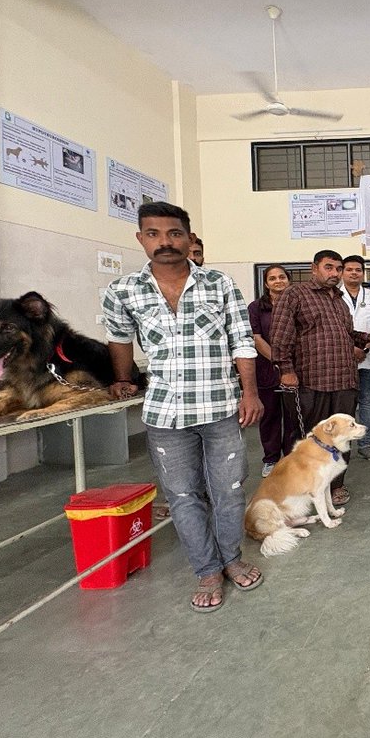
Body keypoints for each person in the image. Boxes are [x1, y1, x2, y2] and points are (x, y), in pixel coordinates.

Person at [103, 203, 263, 613]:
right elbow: (119, 339)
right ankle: (207, 569)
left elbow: (242, 342)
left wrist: (250, 392)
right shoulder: (123, 291)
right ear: (141, 239)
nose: (165, 242)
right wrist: (122, 378)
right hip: (164, 414)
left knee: (228, 490)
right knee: (182, 495)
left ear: (189, 238)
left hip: (220, 407)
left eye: (174, 233)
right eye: (153, 234)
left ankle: (231, 559)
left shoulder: (219, 284)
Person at [271, 249, 370, 506]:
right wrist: (286, 370)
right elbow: (279, 336)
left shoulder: (339, 300)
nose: (335, 274)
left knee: (341, 439)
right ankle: (301, 489)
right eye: (329, 267)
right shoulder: (296, 294)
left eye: (338, 269)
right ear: (314, 268)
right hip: (311, 382)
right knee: (308, 440)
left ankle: (335, 488)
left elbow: (346, 333)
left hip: (343, 380)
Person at [248, 264, 302, 477]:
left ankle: (290, 459)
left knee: (292, 417)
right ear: (266, 283)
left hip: (295, 369)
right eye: (273, 278)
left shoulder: (298, 304)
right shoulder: (256, 308)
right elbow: (256, 338)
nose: (278, 281)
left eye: (282, 277)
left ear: (289, 280)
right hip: (267, 369)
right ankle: (271, 459)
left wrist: (289, 364)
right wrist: (278, 361)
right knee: (269, 416)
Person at [340, 255, 370, 462]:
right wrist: (351, 350)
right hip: (340, 360)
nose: (354, 273)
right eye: (349, 269)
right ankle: (341, 446)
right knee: (343, 404)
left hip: (369, 358)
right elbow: (331, 331)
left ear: (363, 273)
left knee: (367, 403)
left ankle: (366, 445)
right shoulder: (332, 296)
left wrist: (363, 349)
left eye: (358, 270)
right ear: (342, 272)